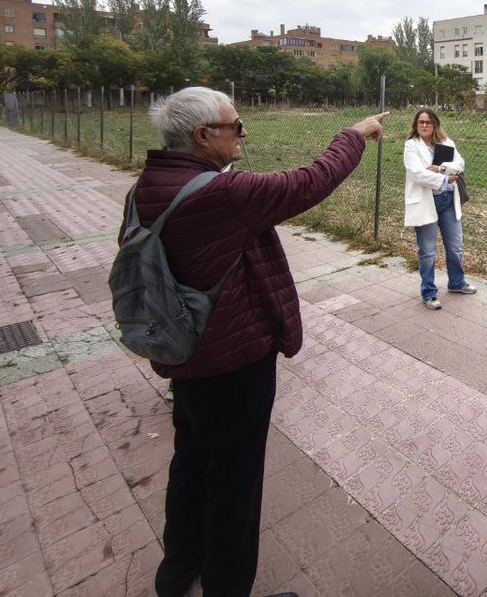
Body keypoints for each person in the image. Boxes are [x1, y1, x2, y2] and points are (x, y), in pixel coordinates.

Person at [131, 87, 387, 597]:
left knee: (192, 460)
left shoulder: (151, 183)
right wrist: (355, 134)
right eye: (236, 125)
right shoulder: (221, 193)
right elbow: (309, 182)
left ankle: (177, 573)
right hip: (232, 357)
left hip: (185, 350)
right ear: (203, 136)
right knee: (235, 480)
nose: (243, 133)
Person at [404, 107, 476, 309]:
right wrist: (446, 179)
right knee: (427, 251)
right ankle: (429, 293)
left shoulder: (446, 142)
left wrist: (440, 168)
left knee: (455, 246)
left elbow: (460, 164)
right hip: (426, 202)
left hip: (448, 201)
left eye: (428, 122)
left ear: (435, 124)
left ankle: (457, 283)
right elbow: (417, 174)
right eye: (421, 122)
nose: (424, 125)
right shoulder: (411, 145)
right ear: (416, 125)